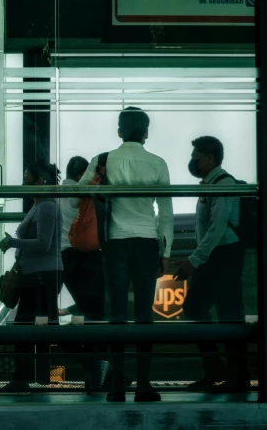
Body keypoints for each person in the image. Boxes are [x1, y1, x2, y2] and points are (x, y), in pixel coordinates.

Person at [78, 106, 174, 403]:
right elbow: (166, 213)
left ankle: (116, 386)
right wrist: (166, 251)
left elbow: (79, 190)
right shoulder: (158, 163)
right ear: (146, 133)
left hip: (115, 242)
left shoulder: (103, 159)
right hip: (147, 242)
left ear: (119, 131)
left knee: (116, 314)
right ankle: (144, 385)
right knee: (145, 315)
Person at [174, 136, 250, 393]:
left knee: (230, 315)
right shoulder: (210, 183)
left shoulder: (224, 184)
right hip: (213, 257)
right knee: (196, 308)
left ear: (209, 158)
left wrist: (193, 261)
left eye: (196, 156)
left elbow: (217, 229)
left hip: (225, 255)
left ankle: (237, 377)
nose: (192, 160)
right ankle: (216, 369)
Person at [0, 160, 63, 395]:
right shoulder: (38, 206)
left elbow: (44, 244)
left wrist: (12, 242)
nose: (24, 182)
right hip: (36, 275)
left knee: (25, 327)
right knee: (42, 327)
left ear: (40, 182)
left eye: (27, 178)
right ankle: (21, 379)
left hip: (42, 276)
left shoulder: (46, 206)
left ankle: (20, 380)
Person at [60, 155, 105, 321]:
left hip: (64, 256)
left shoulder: (56, 194)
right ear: (81, 175)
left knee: (83, 303)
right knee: (96, 307)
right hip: (85, 254)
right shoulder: (83, 194)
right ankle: (95, 343)